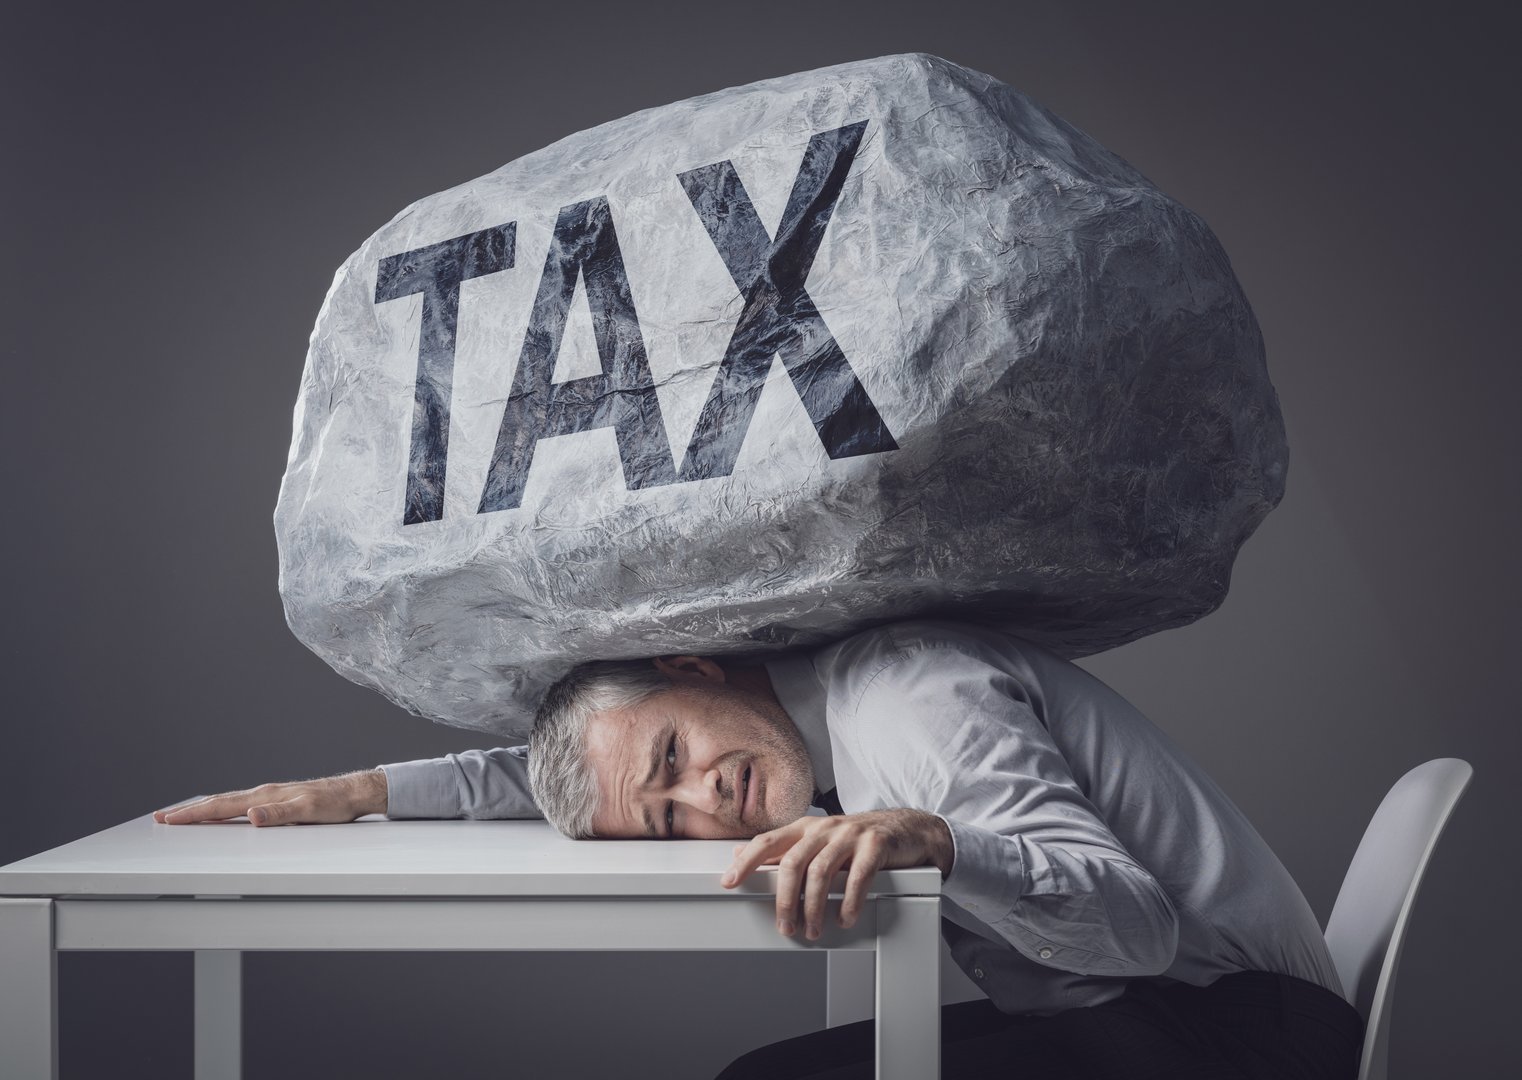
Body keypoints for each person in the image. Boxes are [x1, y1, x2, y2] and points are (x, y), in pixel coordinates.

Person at [156, 619, 1363, 1079]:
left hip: (1236, 1034)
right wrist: (362, 789)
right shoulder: (798, 720)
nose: (709, 806)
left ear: (697, 665)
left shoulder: (906, 703)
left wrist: (939, 841)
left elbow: (1136, 930)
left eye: (677, 756)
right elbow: (572, 774)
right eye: (666, 816)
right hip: (1137, 1017)